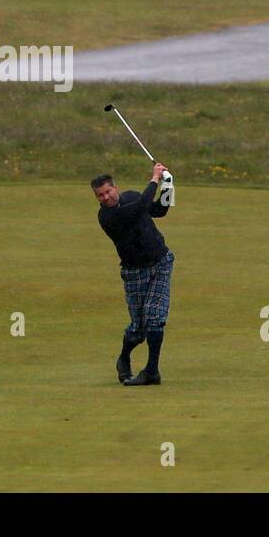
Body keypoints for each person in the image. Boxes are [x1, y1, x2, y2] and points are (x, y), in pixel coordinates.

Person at [92, 164, 174, 386]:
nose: (106, 197)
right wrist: (155, 179)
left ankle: (152, 371)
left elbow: (160, 210)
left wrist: (168, 186)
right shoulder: (107, 217)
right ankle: (124, 357)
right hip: (133, 271)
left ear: (115, 188)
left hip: (160, 262)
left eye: (108, 192)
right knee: (138, 330)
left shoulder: (132, 197)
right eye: (100, 195)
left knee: (154, 318)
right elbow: (140, 208)